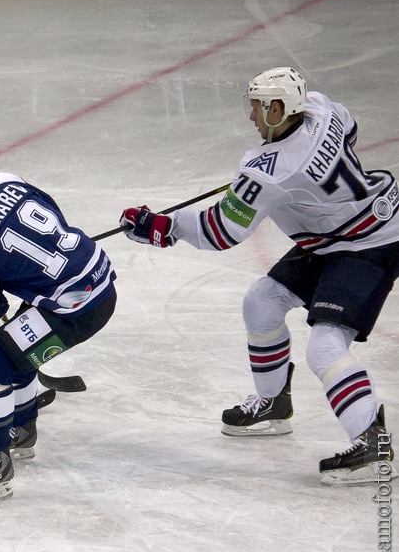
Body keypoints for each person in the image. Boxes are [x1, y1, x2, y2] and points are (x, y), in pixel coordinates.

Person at [119, 67, 398, 485]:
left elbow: (221, 231)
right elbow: (350, 133)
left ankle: (373, 445)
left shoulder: (267, 171)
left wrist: (162, 227)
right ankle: (274, 403)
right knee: (261, 301)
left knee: (325, 347)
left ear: (279, 108)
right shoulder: (322, 109)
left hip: (368, 244)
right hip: (340, 233)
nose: (250, 115)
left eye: (256, 106)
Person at [0, 149, 117, 504]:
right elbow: (54, 214)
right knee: (13, 340)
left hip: (76, 308)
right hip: (96, 272)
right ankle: (22, 426)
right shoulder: (5, 181)